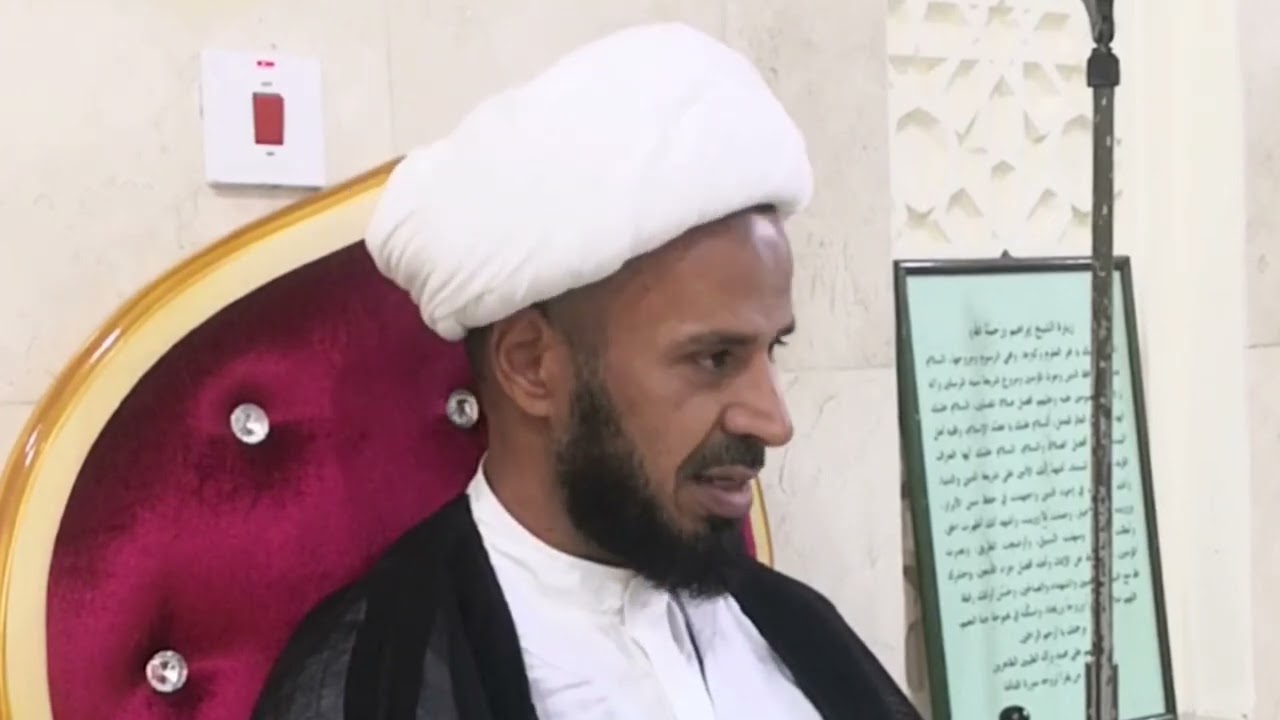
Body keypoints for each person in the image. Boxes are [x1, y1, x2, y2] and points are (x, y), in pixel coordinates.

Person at [252, 21, 920, 720]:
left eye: (770, 351)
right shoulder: (382, 679)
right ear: (531, 366)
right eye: (714, 359)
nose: (774, 422)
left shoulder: (795, 629)